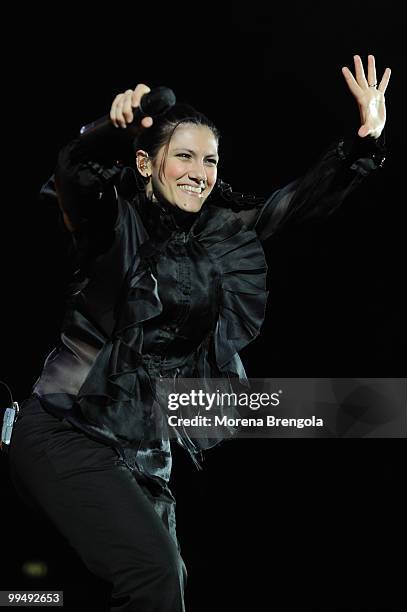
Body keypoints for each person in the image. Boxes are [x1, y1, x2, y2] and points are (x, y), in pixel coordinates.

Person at [7, 54, 390, 611]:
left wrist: (363, 141)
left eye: (209, 160)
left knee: (162, 583)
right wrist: (105, 129)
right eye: (182, 156)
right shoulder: (109, 222)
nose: (198, 171)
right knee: (153, 575)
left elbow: (292, 206)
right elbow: (75, 173)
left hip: (143, 451)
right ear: (146, 163)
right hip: (67, 431)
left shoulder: (217, 234)